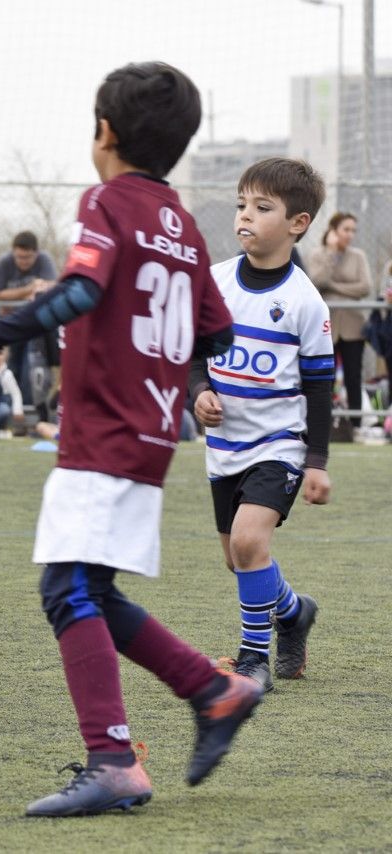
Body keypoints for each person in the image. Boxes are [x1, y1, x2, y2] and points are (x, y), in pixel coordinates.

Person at [0, 61, 261, 817]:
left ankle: (113, 758)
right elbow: (216, 329)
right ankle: (214, 691)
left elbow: (82, 290)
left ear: (104, 133)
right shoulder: (181, 221)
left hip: (104, 428)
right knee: (88, 588)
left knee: (68, 588)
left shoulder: (106, 201)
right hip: (152, 431)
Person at [191, 158, 330, 692]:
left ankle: (253, 659)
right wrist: (200, 391)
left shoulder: (303, 301)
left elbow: (319, 389)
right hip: (224, 446)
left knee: (251, 541)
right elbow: (194, 355)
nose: (246, 216)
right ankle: (294, 612)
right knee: (238, 558)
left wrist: (316, 462)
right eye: (241, 205)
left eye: (262, 208)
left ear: (297, 223)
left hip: (279, 445)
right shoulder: (217, 283)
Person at [305, 211, 373, 437]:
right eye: (346, 229)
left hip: (353, 327)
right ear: (333, 231)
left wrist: (333, 288)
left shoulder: (359, 256)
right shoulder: (319, 254)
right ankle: (325, 424)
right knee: (326, 377)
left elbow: (364, 287)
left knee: (353, 376)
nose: (350, 235)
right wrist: (331, 255)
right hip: (327, 326)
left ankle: (356, 426)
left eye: (353, 230)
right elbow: (316, 282)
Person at [0, 231, 58, 403]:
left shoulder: (44, 260)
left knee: (31, 364)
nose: (23, 262)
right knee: (12, 364)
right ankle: (12, 405)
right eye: (19, 257)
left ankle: (29, 407)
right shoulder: (4, 263)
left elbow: (50, 287)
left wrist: (15, 295)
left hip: (34, 322)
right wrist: (28, 289)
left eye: (27, 257)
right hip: (9, 320)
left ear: (36, 253)